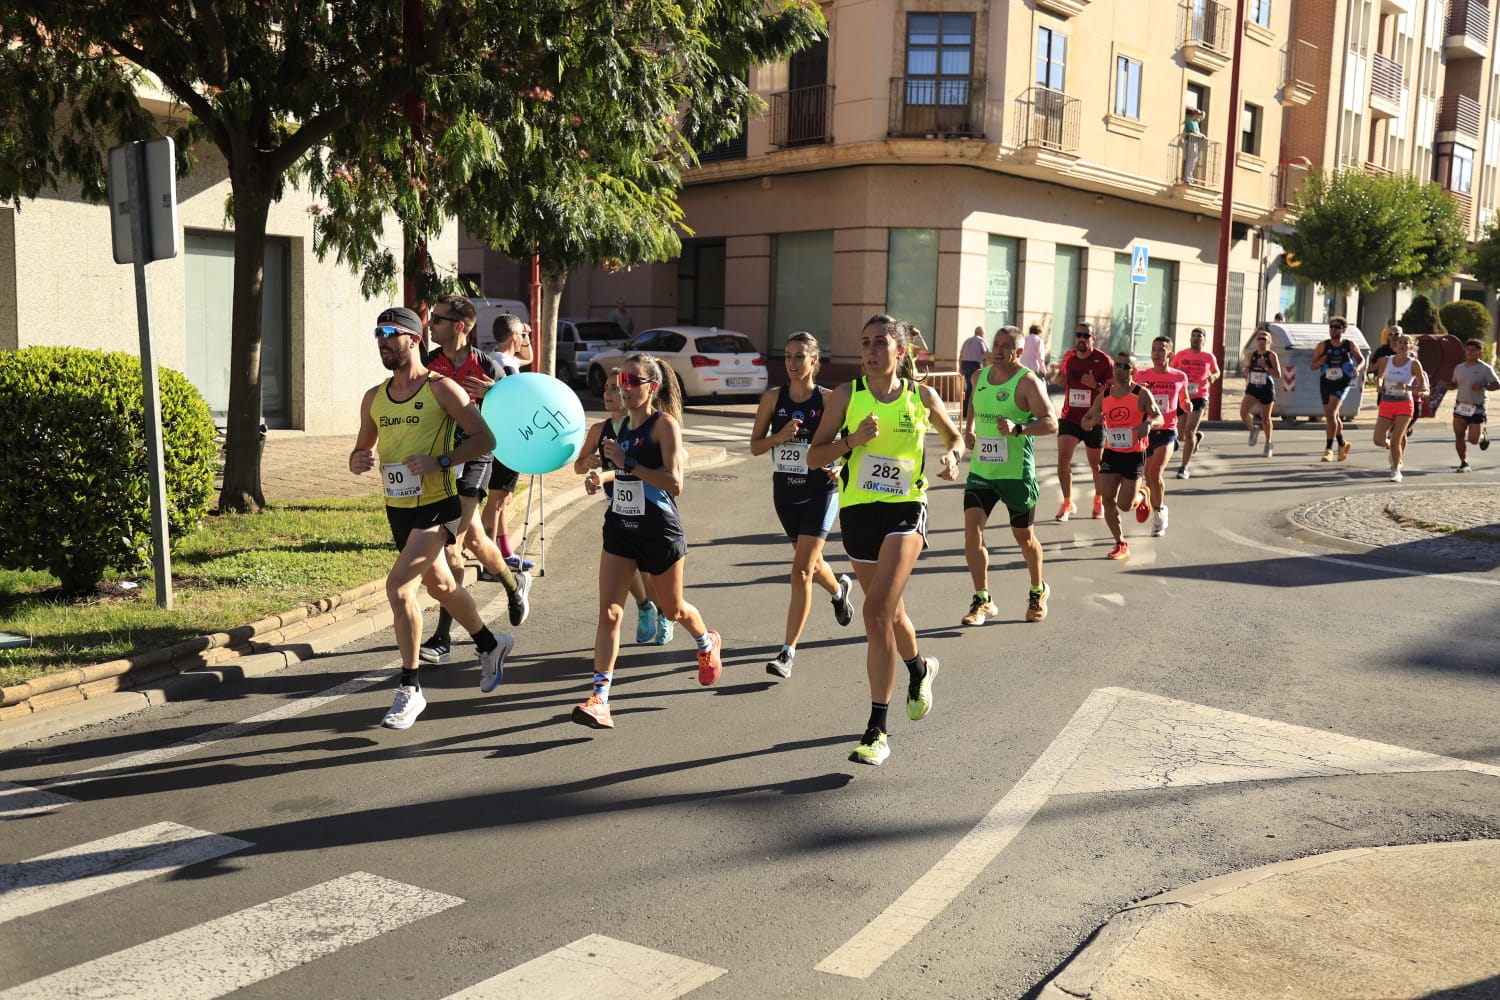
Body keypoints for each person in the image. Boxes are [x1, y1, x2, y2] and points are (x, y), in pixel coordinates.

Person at [806, 315, 964, 767]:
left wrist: (952, 457)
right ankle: (920, 667)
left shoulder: (922, 397)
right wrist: (850, 441)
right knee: (891, 612)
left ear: (900, 351)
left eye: (880, 343)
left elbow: (955, 438)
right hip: (857, 513)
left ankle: (877, 729)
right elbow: (815, 455)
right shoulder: (845, 396)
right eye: (865, 342)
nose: (871, 350)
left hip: (906, 509)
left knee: (874, 612)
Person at [348, 307, 514, 730]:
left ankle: (410, 688)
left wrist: (440, 460)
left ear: (415, 338)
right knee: (441, 585)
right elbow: (362, 448)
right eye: (377, 333)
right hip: (398, 508)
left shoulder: (442, 389)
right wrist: (359, 459)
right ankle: (490, 644)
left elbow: (485, 439)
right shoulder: (374, 396)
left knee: (399, 587)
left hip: (440, 505)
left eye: (390, 333)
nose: (382, 341)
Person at [572, 352, 723, 730]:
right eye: (620, 380)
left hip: (660, 531)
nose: (622, 387)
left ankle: (706, 642)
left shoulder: (662, 425)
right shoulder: (610, 427)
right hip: (620, 528)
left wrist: (627, 464)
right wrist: (596, 473)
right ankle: (600, 698)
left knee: (672, 610)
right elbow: (602, 469)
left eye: (631, 381)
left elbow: (675, 484)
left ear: (652, 388)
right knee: (609, 613)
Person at [417, 296, 531, 667]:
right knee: (477, 540)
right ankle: (514, 586)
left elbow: (514, 411)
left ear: (460, 326)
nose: (431, 325)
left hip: (475, 458)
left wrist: (494, 395)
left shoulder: (486, 365)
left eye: (438, 320)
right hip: (440, 460)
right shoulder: (428, 362)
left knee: (452, 544)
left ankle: (443, 637)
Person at [749, 332, 856, 678]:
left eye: (800, 357)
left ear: (814, 361)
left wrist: (840, 465)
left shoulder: (828, 400)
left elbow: (852, 442)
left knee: (801, 571)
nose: (793, 364)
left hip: (821, 491)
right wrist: (779, 437)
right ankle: (839, 591)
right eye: (788, 356)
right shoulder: (772, 399)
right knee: (810, 563)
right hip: (786, 493)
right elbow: (754, 447)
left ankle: (787, 652)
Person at [960, 326, 1058, 625]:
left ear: (1018, 353)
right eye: (996, 344)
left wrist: (1019, 428)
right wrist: (969, 428)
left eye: (1007, 346)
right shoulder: (978, 376)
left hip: (1016, 473)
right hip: (982, 471)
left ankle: (1037, 590)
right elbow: (974, 405)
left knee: (1024, 538)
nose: (999, 350)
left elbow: (1051, 422)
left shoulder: (1027, 381)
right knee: (972, 533)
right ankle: (982, 599)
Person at [575, 369, 673, 646]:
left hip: (649, 506)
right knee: (622, 567)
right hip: (617, 506)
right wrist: (589, 464)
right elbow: (577, 466)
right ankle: (645, 607)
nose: (608, 394)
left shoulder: (646, 426)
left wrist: (608, 472)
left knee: (647, 570)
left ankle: (665, 611)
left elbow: (637, 469)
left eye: (615, 388)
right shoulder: (599, 429)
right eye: (606, 388)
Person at [1081, 351, 1161, 561]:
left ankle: (1143, 494)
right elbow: (1085, 421)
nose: (1119, 369)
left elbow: (1159, 417)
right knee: (1107, 498)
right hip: (1111, 453)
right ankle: (1120, 543)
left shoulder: (1141, 393)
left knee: (1125, 505)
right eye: (1117, 365)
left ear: (1133, 371)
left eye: (1125, 366)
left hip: (1134, 454)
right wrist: (1092, 421)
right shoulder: (1105, 395)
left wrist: (1149, 423)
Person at [479, 313, 534, 574]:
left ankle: (504, 552)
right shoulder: (506, 367)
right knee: (497, 499)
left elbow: (530, 357)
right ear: (514, 336)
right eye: (521, 335)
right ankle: (489, 558)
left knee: (503, 499)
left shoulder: (501, 358)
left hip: (505, 438)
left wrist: (526, 335)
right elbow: (512, 401)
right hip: (507, 439)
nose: (525, 340)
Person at [1051, 322, 1113, 521]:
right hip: (1070, 417)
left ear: (1094, 339)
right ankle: (1068, 502)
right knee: (1063, 459)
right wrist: (1058, 379)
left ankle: (1098, 499)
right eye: (1079, 335)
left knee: (1096, 465)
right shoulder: (1069, 357)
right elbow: (1062, 378)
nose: (1082, 339)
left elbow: (1114, 392)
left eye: (1086, 336)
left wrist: (1095, 384)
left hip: (1094, 417)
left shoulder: (1104, 361)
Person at [1135, 337, 1189, 537]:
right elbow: (1133, 399)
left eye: (1161, 350)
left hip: (1167, 430)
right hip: (1146, 431)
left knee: (1155, 472)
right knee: (1148, 475)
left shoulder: (1179, 377)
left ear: (1170, 354)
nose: (1157, 353)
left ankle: (1159, 516)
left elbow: (1184, 401)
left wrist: (1187, 406)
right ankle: (1158, 505)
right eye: (1154, 349)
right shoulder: (1141, 375)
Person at [1371, 331, 1426, 482]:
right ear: (1395, 346)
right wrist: (1379, 386)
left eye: (1406, 342)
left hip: (1404, 404)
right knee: (1378, 440)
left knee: (1396, 439)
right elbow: (1380, 376)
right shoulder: (1385, 361)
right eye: (1400, 342)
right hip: (1387, 402)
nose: (1402, 345)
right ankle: (1391, 448)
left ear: (1411, 347)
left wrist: (1407, 388)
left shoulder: (1414, 364)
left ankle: (1396, 470)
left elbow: (1424, 388)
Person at [1309, 317, 1363, 462]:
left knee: (1331, 413)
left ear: (1343, 329)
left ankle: (1328, 449)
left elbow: (1361, 359)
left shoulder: (1349, 345)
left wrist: (1357, 368)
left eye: (1337, 327)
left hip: (1342, 382)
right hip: (1326, 382)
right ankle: (1343, 444)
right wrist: (1321, 360)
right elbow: (1312, 366)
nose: (1333, 329)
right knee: (1333, 416)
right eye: (1332, 326)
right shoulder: (1322, 346)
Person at [1171, 327, 1221, 479]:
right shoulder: (1181, 354)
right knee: (1181, 434)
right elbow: (1172, 370)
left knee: (1190, 430)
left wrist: (1213, 377)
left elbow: (1217, 371)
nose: (1196, 338)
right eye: (1193, 336)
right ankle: (1196, 440)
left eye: (1199, 336)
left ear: (1204, 340)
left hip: (1199, 396)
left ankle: (1184, 467)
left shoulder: (1208, 357)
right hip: (1183, 395)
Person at [1447, 339, 1499, 472]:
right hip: (1460, 406)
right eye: (1468, 349)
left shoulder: (1485, 368)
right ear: (1464, 350)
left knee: (1473, 440)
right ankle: (1464, 463)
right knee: (1459, 436)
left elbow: (1497, 384)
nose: (1470, 352)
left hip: (1477, 407)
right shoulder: (1459, 368)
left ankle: (1482, 437)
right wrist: (1448, 385)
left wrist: (1483, 385)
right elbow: (1455, 384)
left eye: (1474, 350)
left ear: (1480, 352)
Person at [1241, 331, 1281, 457]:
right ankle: (1254, 430)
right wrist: (1246, 370)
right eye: (1259, 338)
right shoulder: (1252, 354)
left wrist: (1265, 367)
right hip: (1253, 387)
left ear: (1268, 341)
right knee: (1243, 412)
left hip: (1266, 388)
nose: (1261, 341)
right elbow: (1247, 370)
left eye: (1264, 339)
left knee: (1266, 419)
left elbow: (1278, 374)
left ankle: (1268, 444)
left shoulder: (1271, 355)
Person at [959, 325, 989, 423]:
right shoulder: (981, 341)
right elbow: (986, 353)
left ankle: (965, 411)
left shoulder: (967, 341)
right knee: (973, 389)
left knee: (969, 388)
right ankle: (969, 411)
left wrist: (960, 367)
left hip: (965, 364)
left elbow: (961, 354)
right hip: (974, 365)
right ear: (982, 333)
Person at [1182, 106, 1206, 184]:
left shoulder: (1196, 122)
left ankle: (1190, 176)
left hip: (1195, 142)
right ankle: (1187, 177)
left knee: (1194, 161)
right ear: (1194, 115)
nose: (1199, 116)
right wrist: (1202, 135)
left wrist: (1203, 114)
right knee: (1190, 160)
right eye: (1198, 115)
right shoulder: (1190, 122)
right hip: (1191, 142)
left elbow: (1202, 118)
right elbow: (1193, 131)